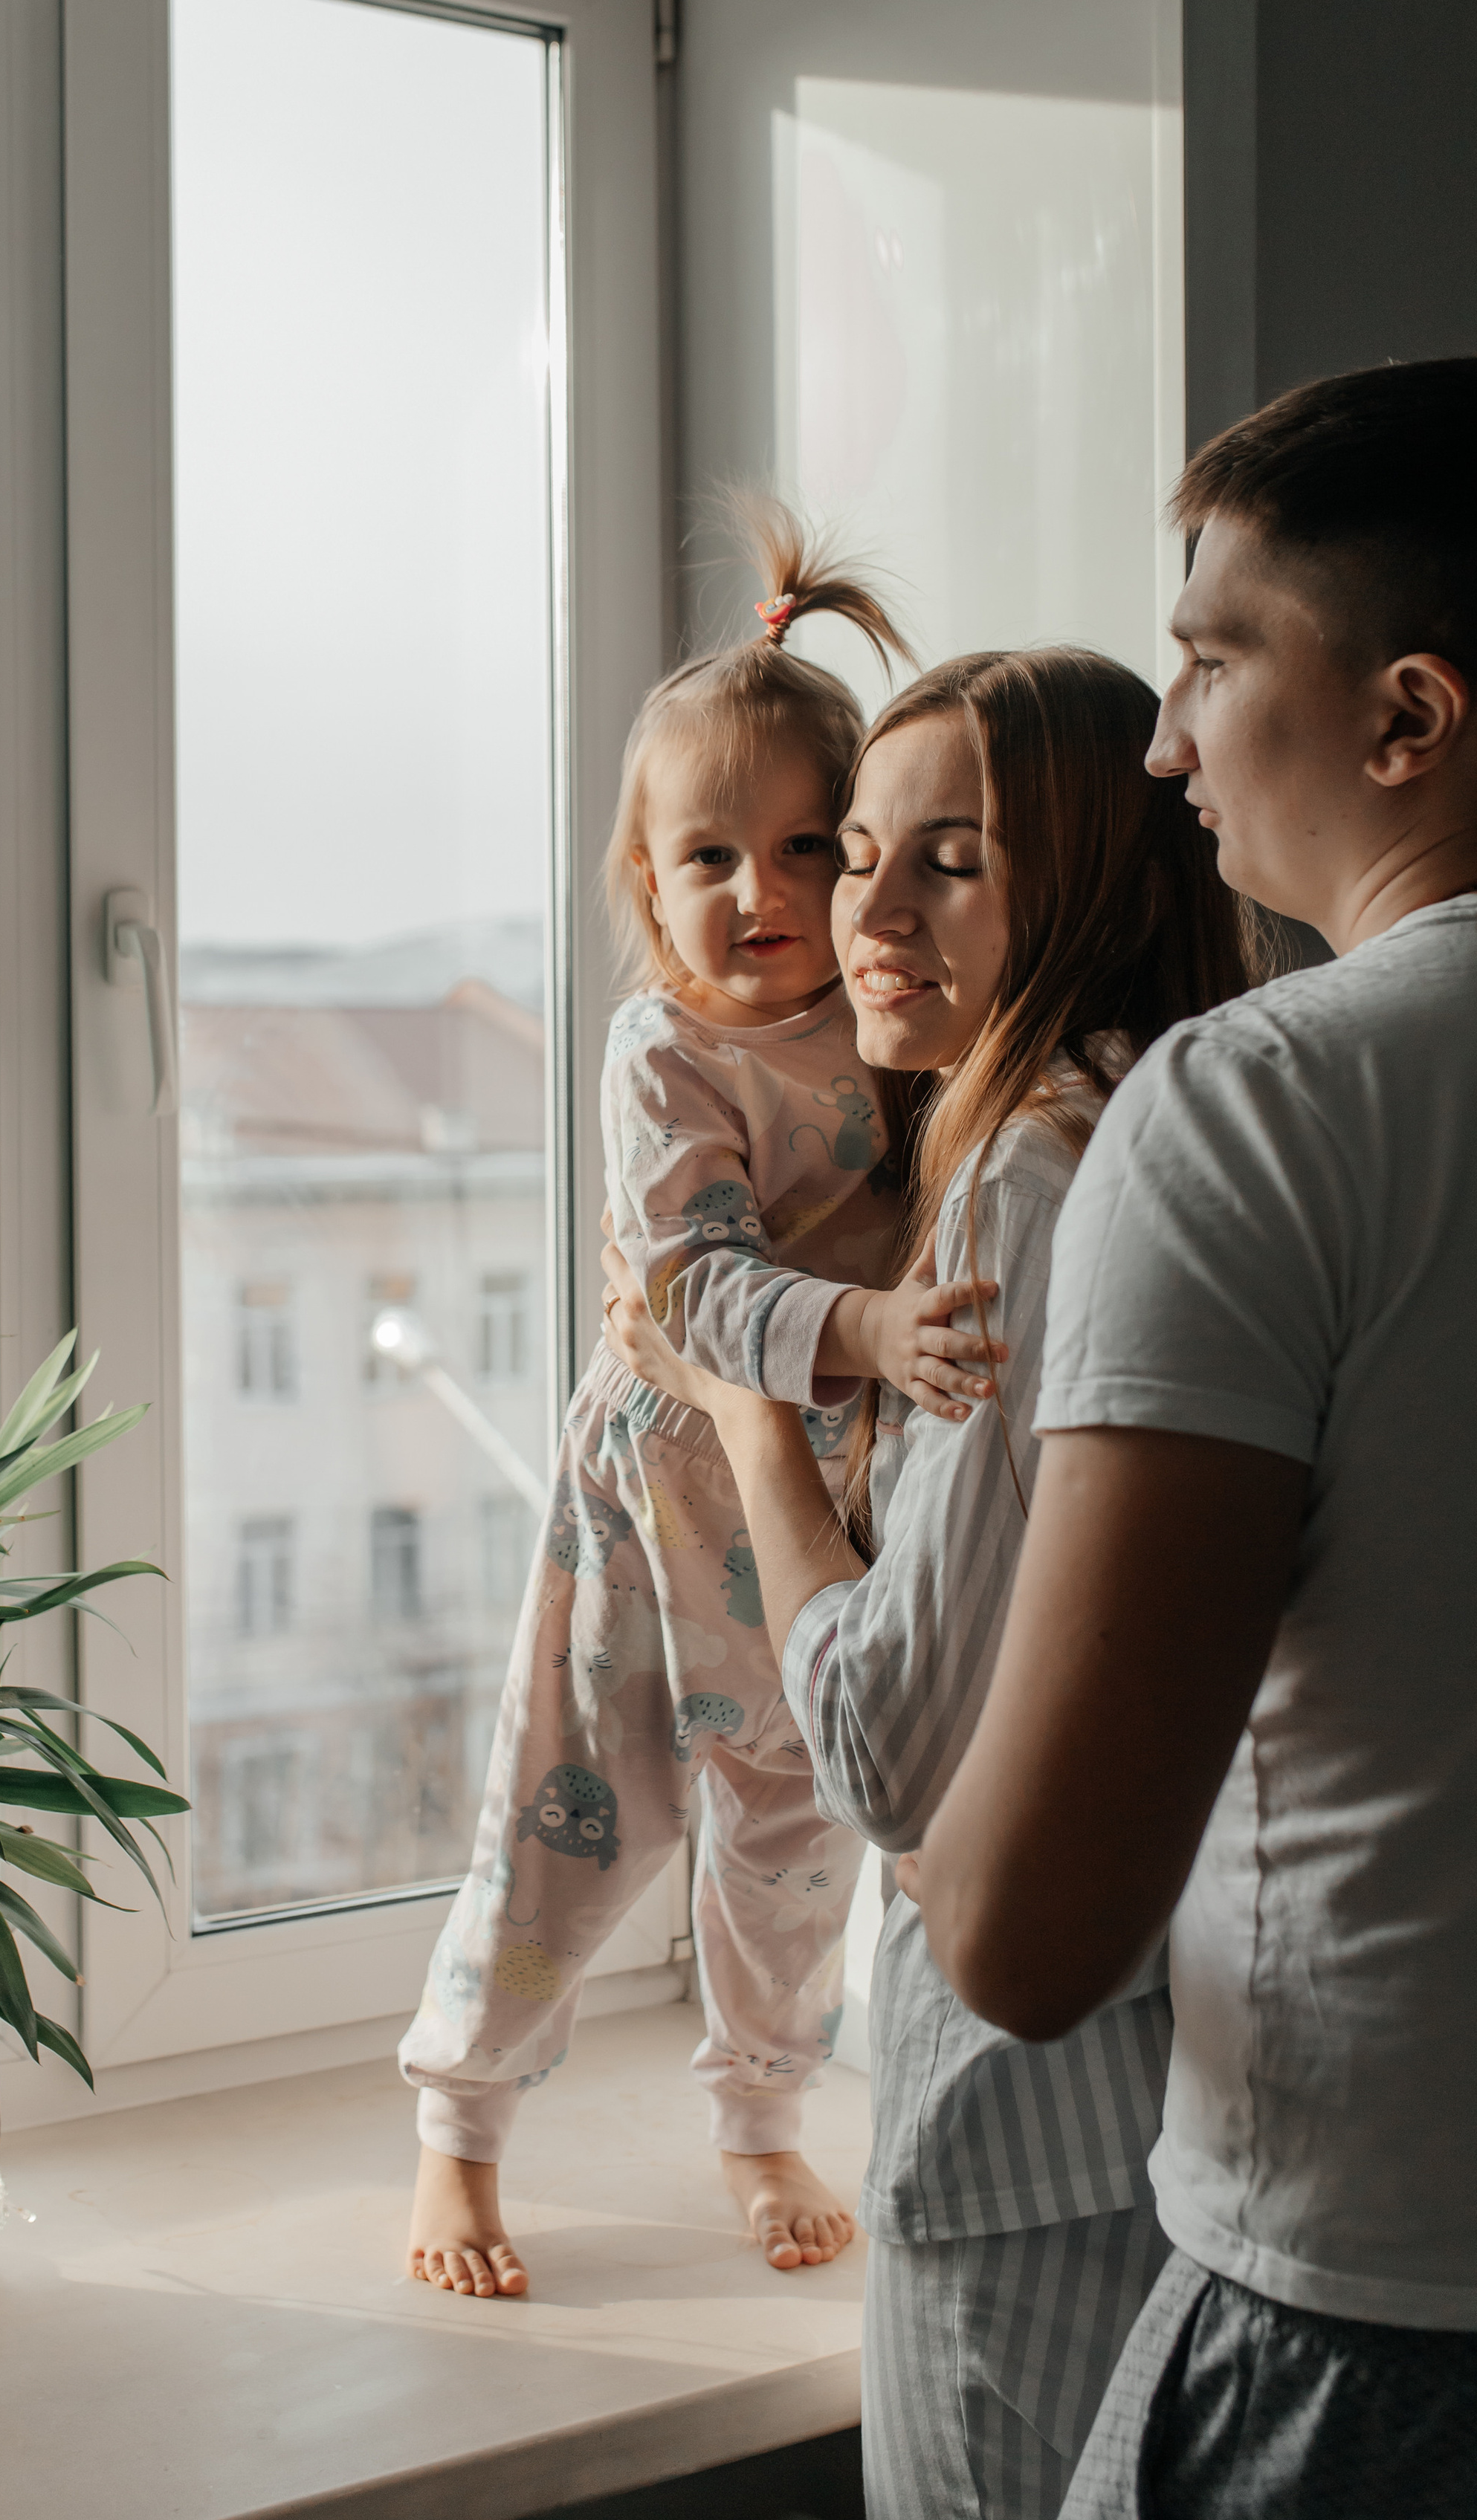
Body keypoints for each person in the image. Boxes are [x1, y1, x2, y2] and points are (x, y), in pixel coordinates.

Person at [904, 358, 1477, 2516]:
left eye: (1214, 662)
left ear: (1407, 717)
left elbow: (1027, 1934)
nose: (1167, 742)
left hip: (1373, 2320)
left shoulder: (1265, 1103)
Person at [598, 642, 1250, 2516]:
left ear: (1096, 884)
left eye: (943, 862)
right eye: (858, 851)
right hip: (1139, 2082)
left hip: (1023, 2121)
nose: (857, 915)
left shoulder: (1023, 1177)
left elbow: (887, 1746)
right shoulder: (1139, 1116)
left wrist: (736, 1403)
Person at [402, 511, 1002, 2299]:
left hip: (816, 1491)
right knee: (569, 1807)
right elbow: (687, 1283)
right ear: (646, 882)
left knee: (793, 1833)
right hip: (660, 1484)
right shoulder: (662, 1046)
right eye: (709, 855)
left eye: (807, 846)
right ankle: (458, 2122)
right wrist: (870, 1326)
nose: (761, 892)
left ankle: (757, 2114)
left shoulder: (893, 1024)